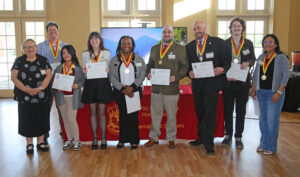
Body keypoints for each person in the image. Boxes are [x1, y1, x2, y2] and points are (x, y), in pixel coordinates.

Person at [186, 20, 231, 155]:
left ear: (205, 28)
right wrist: (189, 72)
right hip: (197, 86)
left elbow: (227, 62)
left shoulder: (218, 43)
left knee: (210, 114)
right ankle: (201, 137)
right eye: (195, 29)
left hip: (212, 85)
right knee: (200, 112)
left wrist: (222, 69)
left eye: (199, 28)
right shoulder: (189, 46)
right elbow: (187, 66)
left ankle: (209, 143)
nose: (197, 31)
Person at [144, 25, 189, 148]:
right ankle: (154, 137)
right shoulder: (154, 48)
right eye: (164, 32)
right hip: (156, 89)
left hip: (171, 89)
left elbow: (185, 67)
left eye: (169, 32)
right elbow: (150, 65)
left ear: (173, 34)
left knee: (171, 115)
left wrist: (176, 77)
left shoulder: (180, 49)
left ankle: (171, 138)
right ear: (162, 34)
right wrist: (148, 73)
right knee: (155, 114)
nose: (167, 34)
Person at [11, 39, 52, 154]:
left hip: (41, 95)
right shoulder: (19, 61)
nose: (30, 49)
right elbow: (13, 77)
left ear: (36, 48)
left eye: (32, 46)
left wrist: (40, 88)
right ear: (23, 49)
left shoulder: (43, 60)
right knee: (26, 119)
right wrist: (26, 90)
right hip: (25, 96)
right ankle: (29, 143)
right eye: (27, 47)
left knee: (41, 118)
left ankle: (40, 142)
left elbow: (48, 76)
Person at [251, 34, 289, 155]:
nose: (267, 44)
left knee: (272, 120)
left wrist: (279, 92)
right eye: (265, 42)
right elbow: (256, 73)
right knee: (263, 119)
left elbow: (286, 75)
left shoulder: (281, 57)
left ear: (276, 44)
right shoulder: (261, 57)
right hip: (261, 92)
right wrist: (253, 88)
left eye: (270, 42)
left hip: (274, 93)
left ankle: (271, 146)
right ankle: (263, 143)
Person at [221, 17, 256, 149]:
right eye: (234, 26)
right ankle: (228, 135)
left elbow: (252, 58)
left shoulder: (248, 43)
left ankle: (238, 136)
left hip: (242, 83)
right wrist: (225, 73)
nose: (236, 28)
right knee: (228, 110)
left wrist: (249, 62)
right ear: (230, 28)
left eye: (239, 26)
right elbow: (220, 61)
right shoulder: (224, 43)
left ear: (242, 28)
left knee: (241, 111)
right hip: (228, 82)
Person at [109, 36, 146, 149]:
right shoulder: (114, 60)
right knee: (123, 115)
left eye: (129, 43)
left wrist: (132, 87)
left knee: (133, 116)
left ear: (132, 45)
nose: (126, 45)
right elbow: (112, 77)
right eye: (124, 43)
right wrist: (122, 89)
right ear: (120, 45)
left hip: (134, 91)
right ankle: (122, 140)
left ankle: (134, 140)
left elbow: (142, 74)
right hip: (120, 91)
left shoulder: (139, 59)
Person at [81, 32, 114, 150]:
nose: (94, 41)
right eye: (92, 39)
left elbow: (110, 68)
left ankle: (104, 138)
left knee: (102, 113)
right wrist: (84, 72)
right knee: (93, 113)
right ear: (89, 41)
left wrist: (108, 69)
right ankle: (95, 138)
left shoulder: (107, 53)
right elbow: (84, 69)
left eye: (96, 38)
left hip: (103, 84)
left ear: (100, 40)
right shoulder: (85, 54)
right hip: (90, 84)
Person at [37, 21, 68, 145]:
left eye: (54, 30)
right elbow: (38, 64)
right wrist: (46, 72)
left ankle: (64, 131)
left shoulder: (65, 46)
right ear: (47, 32)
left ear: (58, 31)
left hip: (61, 81)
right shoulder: (40, 47)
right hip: (47, 80)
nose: (52, 32)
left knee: (61, 107)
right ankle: (44, 132)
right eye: (50, 30)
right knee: (46, 108)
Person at [52, 45, 85, 151]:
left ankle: (77, 141)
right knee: (65, 119)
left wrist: (78, 86)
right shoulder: (59, 68)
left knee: (71, 119)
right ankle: (69, 139)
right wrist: (57, 88)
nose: (66, 55)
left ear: (72, 54)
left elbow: (82, 81)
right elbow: (54, 82)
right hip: (61, 97)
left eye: (68, 53)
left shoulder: (77, 69)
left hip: (72, 97)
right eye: (64, 53)